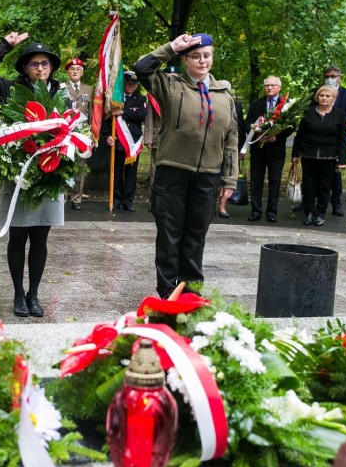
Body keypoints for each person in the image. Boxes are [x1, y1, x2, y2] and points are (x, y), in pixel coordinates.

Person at [133, 33, 238, 298]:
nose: (202, 61)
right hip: (173, 171)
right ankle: (168, 290)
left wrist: (230, 179)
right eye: (195, 56)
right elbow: (142, 68)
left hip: (208, 176)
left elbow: (231, 139)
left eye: (207, 55)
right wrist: (171, 47)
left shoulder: (224, 94)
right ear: (185, 60)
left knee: (196, 234)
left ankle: (191, 291)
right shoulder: (170, 86)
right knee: (169, 234)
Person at [0, 32, 63, 318]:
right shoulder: (12, 91)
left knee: (40, 239)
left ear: (51, 67)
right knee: (18, 236)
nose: (40, 68)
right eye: (34, 63)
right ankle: (17, 294)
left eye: (45, 63)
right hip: (18, 176)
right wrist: (5, 45)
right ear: (25, 67)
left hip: (50, 175)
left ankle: (34, 294)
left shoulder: (61, 94)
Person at [290, 85, 346, 227]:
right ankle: (309, 213)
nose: (324, 98)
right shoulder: (308, 113)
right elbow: (300, 135)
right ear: (317, 97)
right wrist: (295, 154)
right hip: (309, 155)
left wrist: (342, 160)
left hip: (329, 157)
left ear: (333, 99)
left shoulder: (339, 115)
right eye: (322, 95)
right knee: (309, 185)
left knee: (324, 186)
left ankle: (320, 214)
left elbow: (343, 139)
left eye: (328, 96)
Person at [244, 76, 292, 222]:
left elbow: (291, 126)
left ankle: (272, 212)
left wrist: (276, 136)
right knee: (256, 180)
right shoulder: (256, 103)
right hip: (258, 149)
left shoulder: (286, 104)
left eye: (272, 85)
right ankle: (256, 211)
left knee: (275, 180)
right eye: (267, 85)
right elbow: (247, 123)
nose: (269, 88)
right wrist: (257, 132)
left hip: (276, 150)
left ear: (279, 87)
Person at [102, 71, 147, 212]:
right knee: (116, 172)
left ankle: (128, 200)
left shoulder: (140, 99)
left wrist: (123, 112)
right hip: (117, 141)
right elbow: (106, 119)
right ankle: (115, 200)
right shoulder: (115, 99)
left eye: (133, 84)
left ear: (137, 85)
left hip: (132, 142)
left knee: (131, 173)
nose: (130, 86)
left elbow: (142, 115)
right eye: (128, 83)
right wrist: (106, 136)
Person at [323, 67, 346, 217]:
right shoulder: (318, 92)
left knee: (335, 174)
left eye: (333, 76)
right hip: (319, 139)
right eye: (327, 76)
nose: (330, 78)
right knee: (313, 174)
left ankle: (336, 204)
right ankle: (309, 202)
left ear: (339, 78)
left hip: (337, 139)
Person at [62, 58, 92, 210]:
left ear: (82, 72)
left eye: (78, 69)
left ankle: (76, 198)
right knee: (64, 163)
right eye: (72, 69)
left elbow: (92, 113)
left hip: (82, 132)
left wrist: (92, 133)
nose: (75, 71)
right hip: (66, 131)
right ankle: (62, 195)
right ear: (67, 72)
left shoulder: (88, 90)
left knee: (80, 166)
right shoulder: (62, 88)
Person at [217, 95, 246, 219]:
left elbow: (241, 128)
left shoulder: (236, 105)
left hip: (229, 148)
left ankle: (222, 207)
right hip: (213, 147)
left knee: (227, 176)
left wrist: (241, 150)